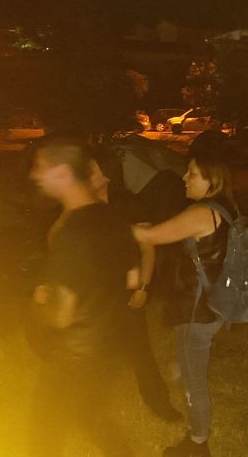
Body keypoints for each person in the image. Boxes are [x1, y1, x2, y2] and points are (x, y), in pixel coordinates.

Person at [26, 137, 141, 456]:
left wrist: (39, 305)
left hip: (74, 352)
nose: (34, 175)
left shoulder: (72, 232)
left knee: (43, 435)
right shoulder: (114, 219)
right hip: (109, 346)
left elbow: (62, 316)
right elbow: (133, 278)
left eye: (40, 167)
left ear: (63, 173)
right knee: (91, 416)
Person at [132, 154, 239, 457]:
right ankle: (195, 433)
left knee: (194, 379)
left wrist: (104, 220)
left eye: (192, 173)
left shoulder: (203, 212)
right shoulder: (222, 207)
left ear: (211, 179)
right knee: (191, 375)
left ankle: (198, 443)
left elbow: (150, 236)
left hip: (198, 310)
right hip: (204, 305)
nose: (184, 178)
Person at [87, 154, 184, 422]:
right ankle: (90, 405)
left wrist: (143, 286)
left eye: (92, 169)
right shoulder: (85, 205)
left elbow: (147, 249)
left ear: (107, 175)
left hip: (126, 289)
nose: (85, 173)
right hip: (95, 290)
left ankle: (159, 403)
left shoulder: (131, 204)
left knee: (138, 348)